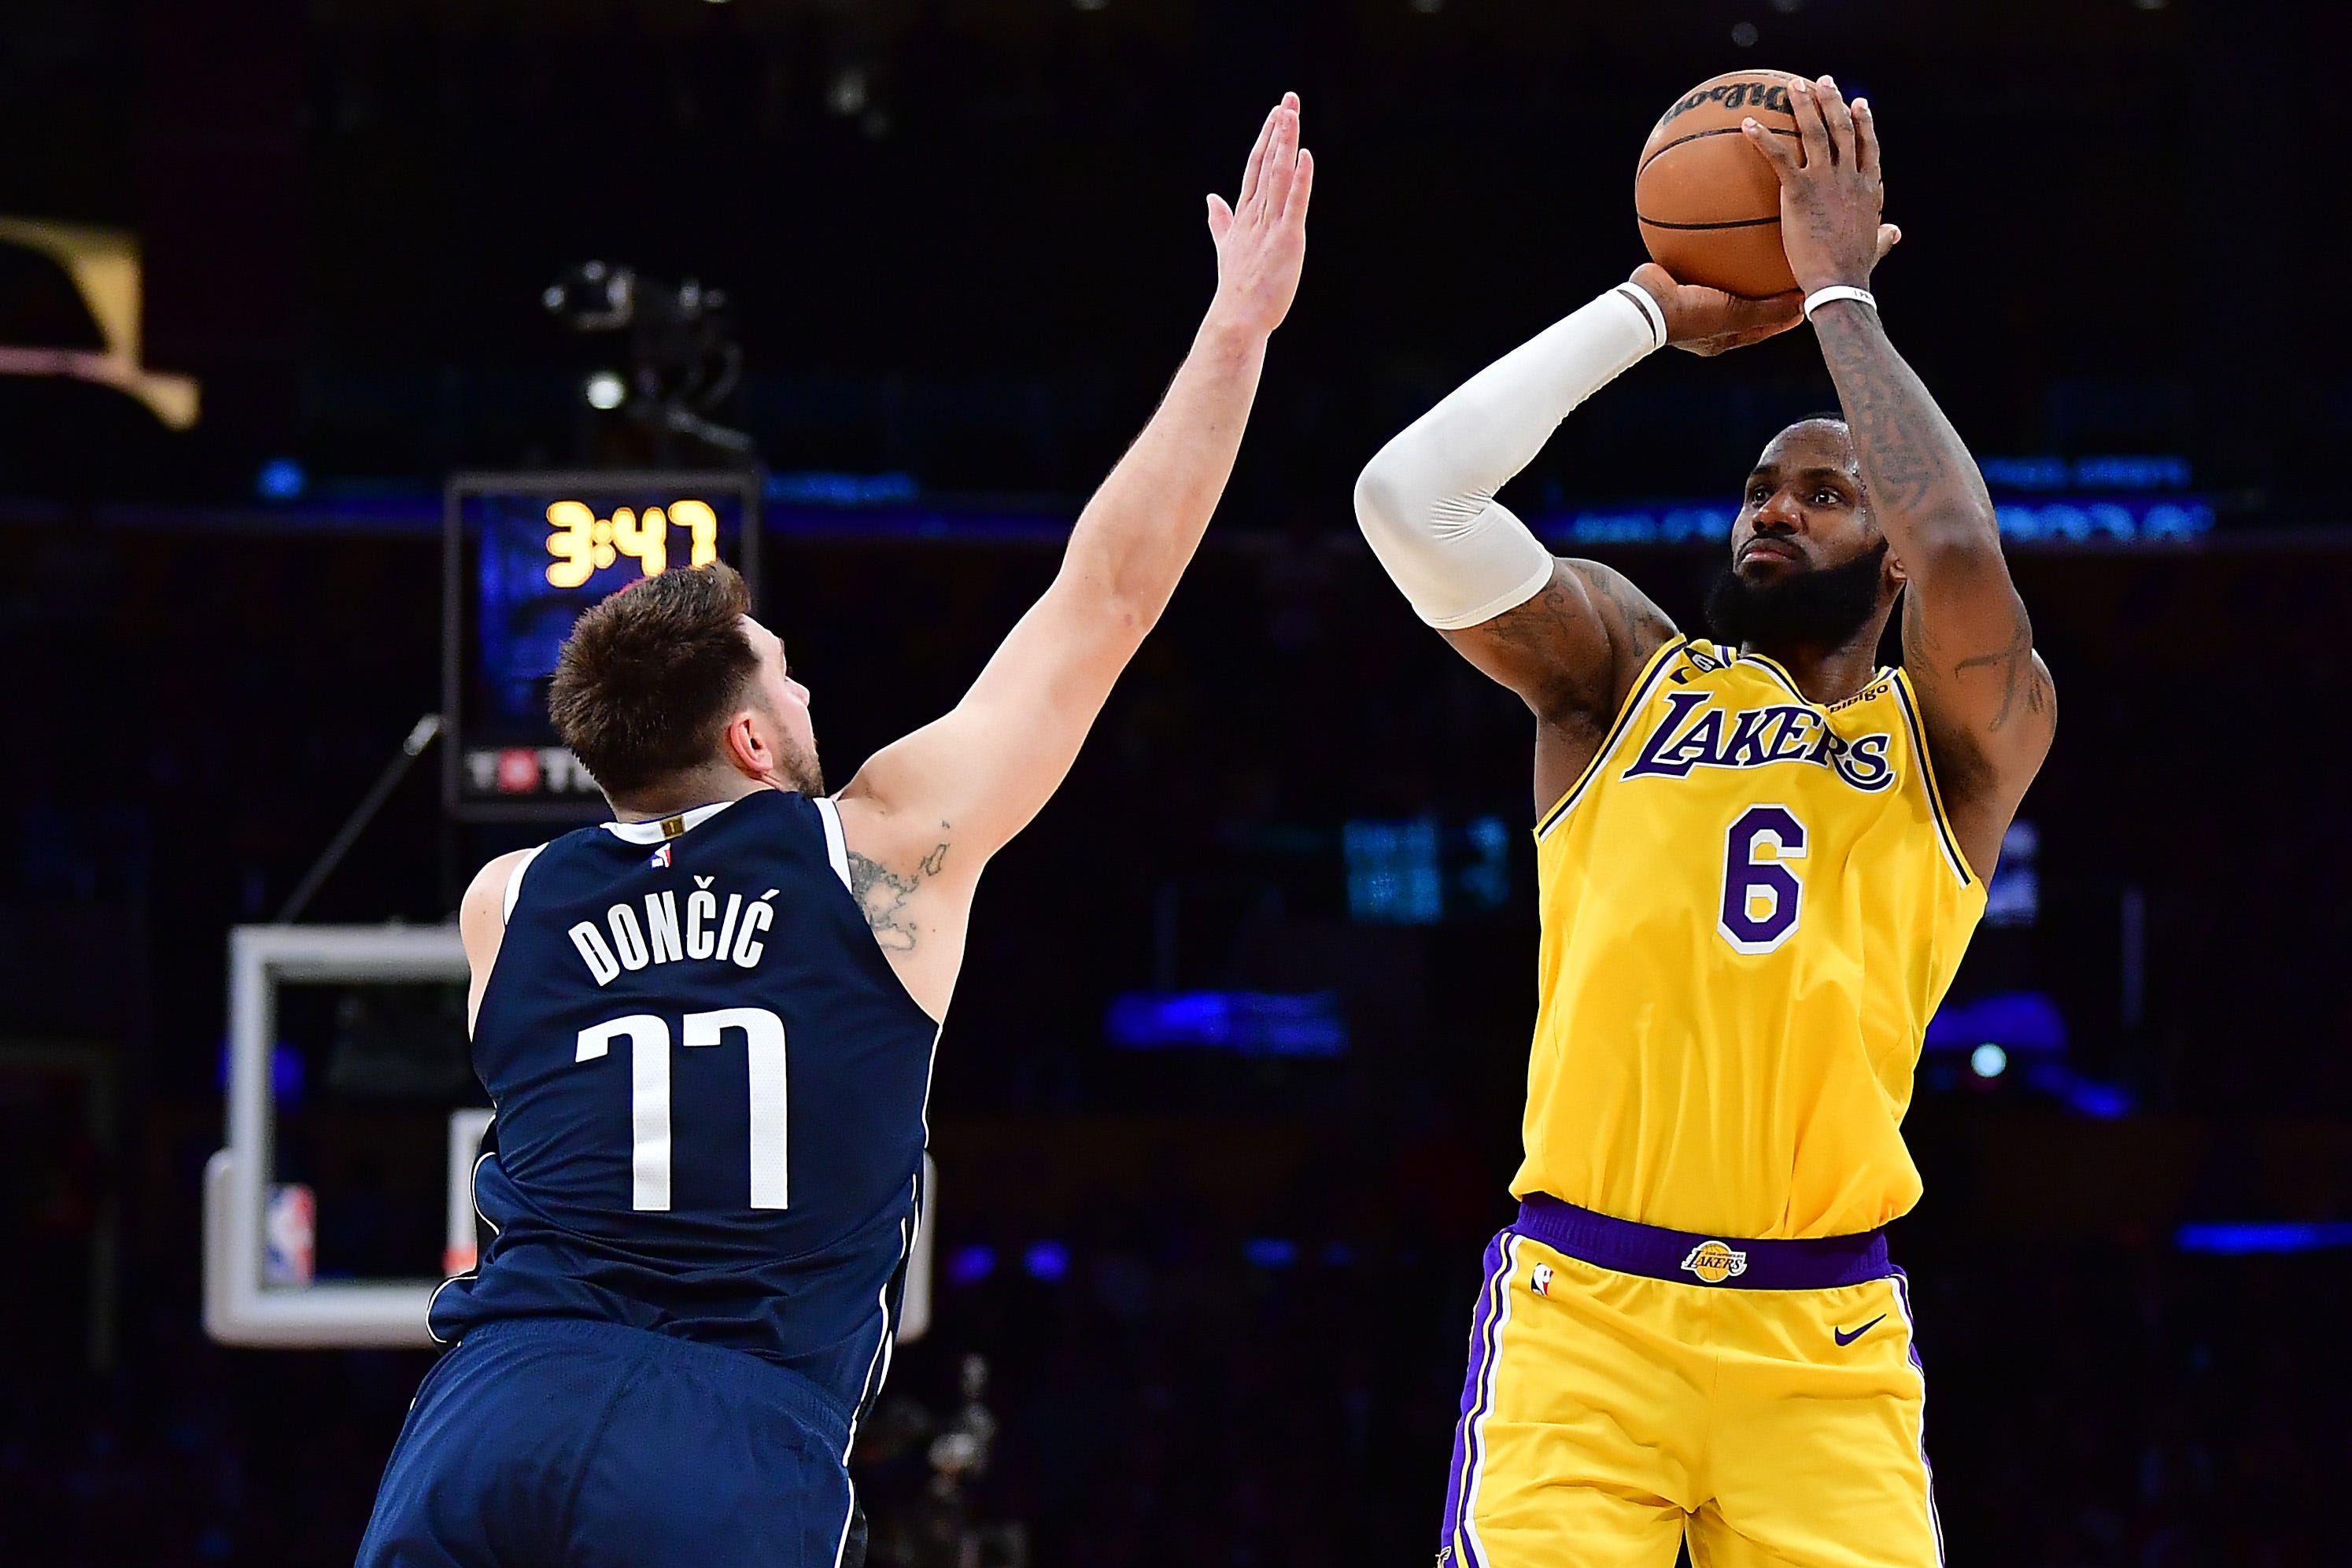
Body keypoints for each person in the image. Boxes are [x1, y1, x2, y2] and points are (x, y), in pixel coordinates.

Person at [357, 94, 1313, 1568]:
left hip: (488, 1412)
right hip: (730, 1431)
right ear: (750, 736)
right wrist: (1235, 330)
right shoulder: (878, 851)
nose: (807, 692)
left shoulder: (506, 901)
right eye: (785, 674)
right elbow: (1106, 594)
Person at [1354, 77, 2051, 1567]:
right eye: (1759, 486)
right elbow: (1407, 498)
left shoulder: (1952, 744)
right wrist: (1642, 314)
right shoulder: (1621, 673)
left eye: (1821, 493)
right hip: (1585, 1316)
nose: (1774, 509)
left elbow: (1954, 541)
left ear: (1880, 566)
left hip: (1826, 1342)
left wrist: (1838, 294)